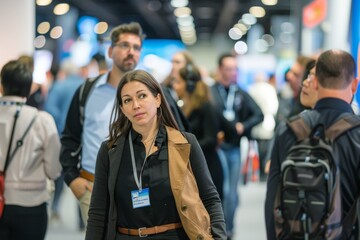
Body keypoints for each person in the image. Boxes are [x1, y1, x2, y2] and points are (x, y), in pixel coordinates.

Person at [60, 22, 188, 226]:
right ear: (110, 51)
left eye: (136, 47)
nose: (131, 52)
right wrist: (72, 178)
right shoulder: (87, 91)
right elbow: (70, 137)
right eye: (124, 45)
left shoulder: (154, 92)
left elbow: (177, 135)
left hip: (142, 186)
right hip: (93, 187)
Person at [85, 69, 226, 239]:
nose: (136, 105)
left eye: (142, 96)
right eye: (128, 100)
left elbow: (210, 199)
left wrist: (219, 237)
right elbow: (98, 212)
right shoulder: (109, 151)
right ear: (122, 109)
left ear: (157, 99)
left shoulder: (186, 143)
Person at [265, 49, 360, 239]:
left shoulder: (288, 129)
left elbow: (272, 200)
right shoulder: (356, 133)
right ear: (355, 85)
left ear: (315, 82)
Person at [0, 60, 62, 240]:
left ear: (2, 86)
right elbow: (54, 169)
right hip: (31, 204)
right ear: (29, 89)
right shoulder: (41, 120)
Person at [210, 53, 263, 238]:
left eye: (235, 69)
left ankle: (228, 229)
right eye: (228, 68)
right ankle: (216, 228)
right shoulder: (211, 92)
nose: (232, 72)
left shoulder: (240, 93)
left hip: (233, 149)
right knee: (218, 192)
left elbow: (259, 114)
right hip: (215, 150)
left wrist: (243, 126)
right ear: (220, 70)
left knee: (231, 193)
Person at [172, 64, 224, 200]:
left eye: (178, 82)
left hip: (208, 169)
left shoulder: (206, 107)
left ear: (189, 85)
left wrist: (183, 149)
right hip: (193, 167)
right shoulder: (183, 108)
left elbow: (210, 140)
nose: (175, 86)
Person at [44, 57, 85, 229]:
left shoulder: (59, 87)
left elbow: (50, 109)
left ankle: (54, 208)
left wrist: (63, 127)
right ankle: (82, 219)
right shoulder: (85, 86)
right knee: (83, 177)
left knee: (61, 175)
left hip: (63, 139)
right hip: (85, 140)